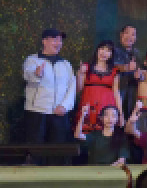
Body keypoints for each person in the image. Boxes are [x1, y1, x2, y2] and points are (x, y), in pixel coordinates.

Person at [22, 28, 76, 164]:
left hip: (59, 113)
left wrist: (64, 106)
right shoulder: (32, 60)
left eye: (60, 40)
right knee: (35, 150)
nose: (58, 43)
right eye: (55, 39)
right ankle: (34, 175)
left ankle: (56, 176)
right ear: (44, 41)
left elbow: (72, 87)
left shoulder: (66, 64)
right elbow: (27, 74)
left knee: (57, 151)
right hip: (37, 112)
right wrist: (36, 73)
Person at [76, 40, 124, 133]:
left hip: (108, 109)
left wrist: (121, 114)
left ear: (111, 54)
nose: (104, 52)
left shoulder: (114, 71)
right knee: (86, 136)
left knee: (106, 136)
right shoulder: (86, 67)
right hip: (88, 108)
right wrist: (80, 74)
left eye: (108, 50)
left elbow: (116, 93)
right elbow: (78, 89)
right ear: (97, 50)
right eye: (102, 49)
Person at [114, 24, 142, 123]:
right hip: (117, 92)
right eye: (127, 33)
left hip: (133, 93)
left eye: (133, 34)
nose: (130, 36)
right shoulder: (114, 50)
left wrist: (139, 76)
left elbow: (142, 71)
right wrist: (126, 68)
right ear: (121, 34)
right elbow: (112, 66)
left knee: (131, 121)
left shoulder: (137, 53)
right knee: (116, 121)